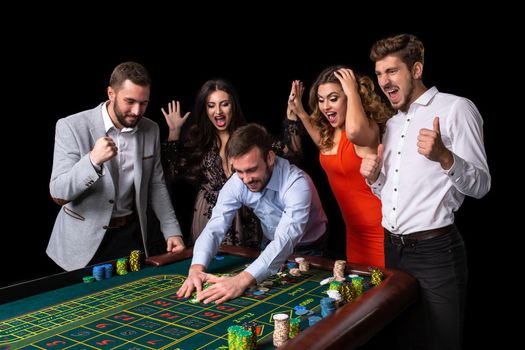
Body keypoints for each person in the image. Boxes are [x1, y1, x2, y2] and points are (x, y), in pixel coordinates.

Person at [360, 34, 491, 349]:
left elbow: (482, 186)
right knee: (402, 337)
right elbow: (391, 194)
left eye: (392, 71)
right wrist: (374, 178)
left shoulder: (456, 108)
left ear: (416, 69)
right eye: (379, 74)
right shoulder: (391, 125)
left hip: (435, 252)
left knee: (441, 342)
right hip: (393, 250)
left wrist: (445, 157)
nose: (383, 81)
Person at [47, 61, 185, 271]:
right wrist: (92, 161)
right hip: (81, 245)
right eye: (129, 101)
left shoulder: (151, 129)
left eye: (143, 103)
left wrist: (172, 230)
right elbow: (58, 192)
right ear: (111, 93)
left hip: (128, 237)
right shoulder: (71, 126)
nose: (137, 111)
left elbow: (156, 185)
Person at [177, 123, 327, 304]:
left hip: (308, 248)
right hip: (269, 243)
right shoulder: (237, 182)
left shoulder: (297, 183)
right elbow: (215, 226)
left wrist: (240, 281)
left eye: (251, 169)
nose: (246, 179)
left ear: (270, 158)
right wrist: (196, 268)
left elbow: (286, 239)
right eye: (239, 171)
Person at [161, 79, 301, 248]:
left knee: (248, 269)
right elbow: (172, 173)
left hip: (246, 219)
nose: (218, 111)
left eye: (224, 104)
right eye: (211, 105)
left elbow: (291, 153)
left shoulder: (249, 137)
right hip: (209, 217)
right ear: (205, 109)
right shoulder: (198, 138)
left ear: (233, 105)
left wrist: (292, 116)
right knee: (209, 268)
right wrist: (174, 132)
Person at [288, 66, 392, 267]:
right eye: (321, 99)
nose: (325, 106)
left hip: (381, 234)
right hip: (354, 235)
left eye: (333, 98)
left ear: (351, 97)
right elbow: (324, 147)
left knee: (385, 295)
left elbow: (353, 133)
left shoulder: (367, 128)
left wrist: (353, 90)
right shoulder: (332, 132)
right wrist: (300, 111)